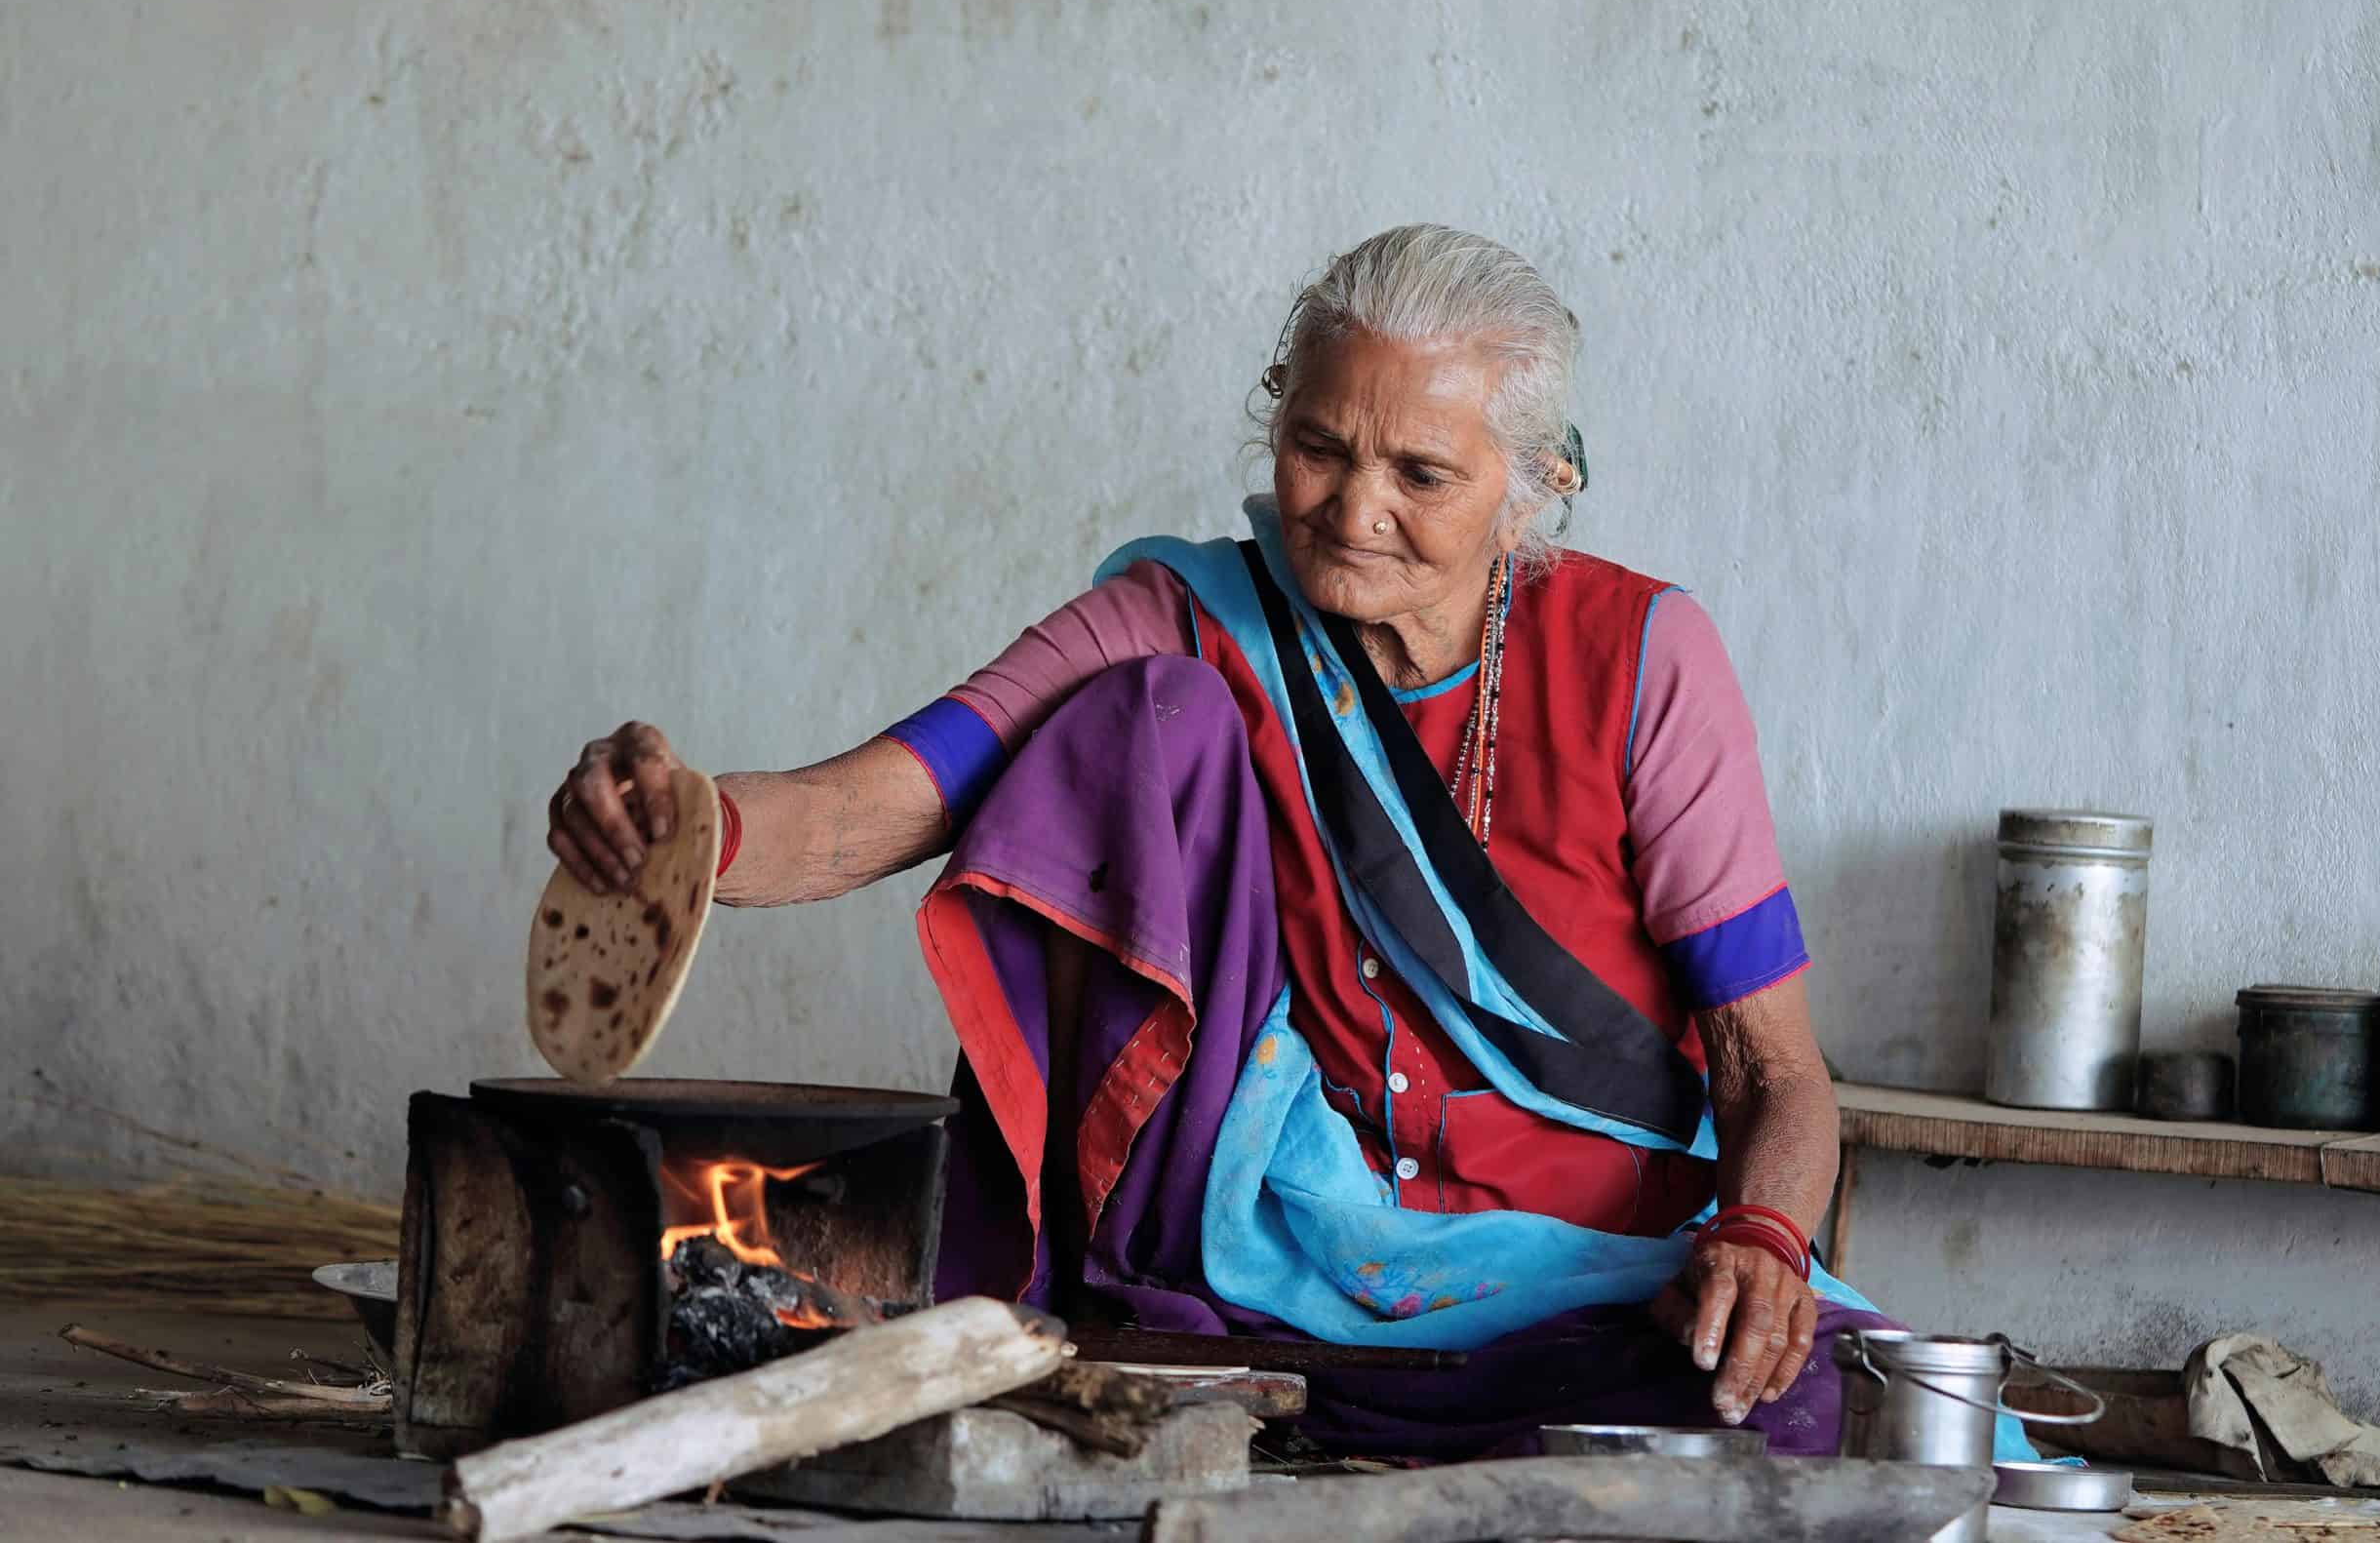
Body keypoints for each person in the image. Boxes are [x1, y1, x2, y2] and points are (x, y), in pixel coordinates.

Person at [544, 225, 2006, 1459]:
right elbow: (890, 797)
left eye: (1421, 475)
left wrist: (1757, 1238)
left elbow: (1775, 1072)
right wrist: (686, 826)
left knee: (1798, 1413)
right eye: (1318, 446)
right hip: (1262, 1244)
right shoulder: (1191, 612)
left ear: (1538, 484)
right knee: (1146, 721)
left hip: (1586, 1269)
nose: (1353, 509)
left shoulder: (1644, 658)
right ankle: (1153, 1325)